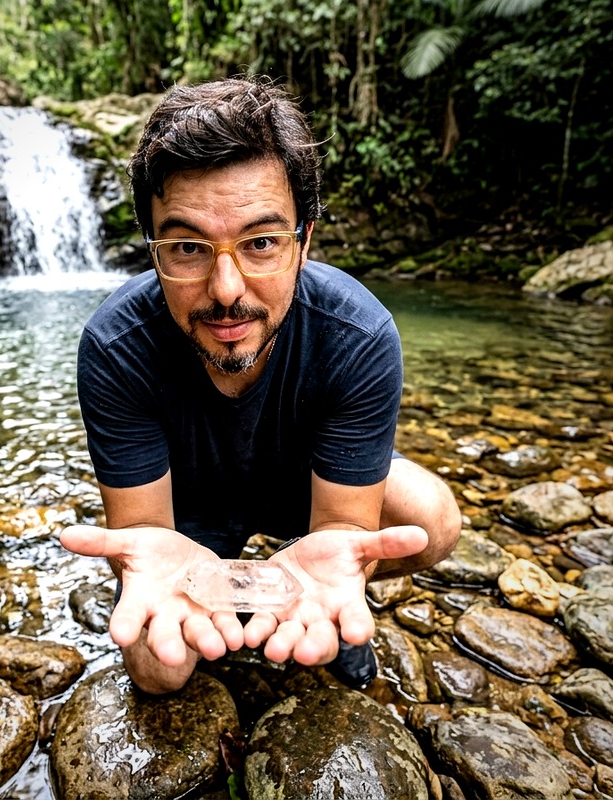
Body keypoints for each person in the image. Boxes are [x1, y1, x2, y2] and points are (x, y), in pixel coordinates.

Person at [60, 76, 461, 695]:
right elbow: (145, 532)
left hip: (305, 484)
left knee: (432, 520)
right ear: (152, 248)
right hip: (186, 506)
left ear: (305, 242)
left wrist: (331, 563)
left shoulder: (358, 333)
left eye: (262, 243)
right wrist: (171, 570)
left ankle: (325, 604)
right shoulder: (115, 348)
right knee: (157, 671)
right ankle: (243, 593)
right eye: (188, 247)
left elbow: (343, 527)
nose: (226, 289)